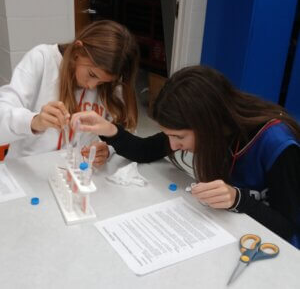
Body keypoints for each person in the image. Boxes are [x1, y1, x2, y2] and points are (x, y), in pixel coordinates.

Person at [71, 65, 300, 248]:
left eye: (179, 137)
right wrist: (109, 130)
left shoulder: (277, 144)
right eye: (169, 135)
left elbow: (287, 228)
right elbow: (146, 150)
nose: (173, 145)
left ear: (207, 122)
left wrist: (238, 199)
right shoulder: (212, 126)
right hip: (237, 232)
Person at [0, 20, 139, 165]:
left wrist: (109, 148)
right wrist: (34, 121)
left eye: (102, 83)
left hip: (82, 174)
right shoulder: (42, 60)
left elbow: (127, 132)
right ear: (78, 51)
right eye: (92, 74)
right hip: (28, 172)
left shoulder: (113, 86)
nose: (92, 86)